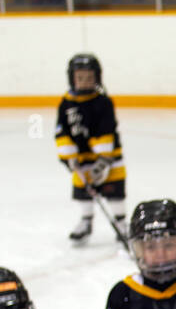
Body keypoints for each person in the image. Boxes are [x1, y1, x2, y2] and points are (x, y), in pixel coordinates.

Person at [54, 53, 127, 243]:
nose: (85, 82)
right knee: (83, 193)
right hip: (82, 159)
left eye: (89, 77)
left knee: (114, 191)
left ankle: (121, 223)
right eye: (80, 77)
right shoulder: (66, 103)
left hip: (108, 157)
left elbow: (106, 129)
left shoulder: (103, 102)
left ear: (97, 78)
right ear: (72, 78)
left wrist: (103, 161)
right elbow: (61, 131)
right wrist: (69, 156)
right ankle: (86, 221)